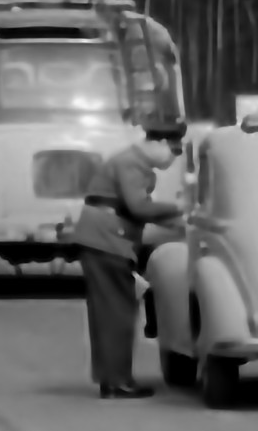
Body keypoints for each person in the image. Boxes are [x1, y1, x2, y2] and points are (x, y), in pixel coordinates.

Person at [69, 131, 185, 398]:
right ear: (156, 143)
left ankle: (111, 379)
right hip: (107, 239)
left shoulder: (131, 162)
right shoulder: (131, 163)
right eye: (173, 150)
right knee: (116, 312)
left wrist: (178, 223)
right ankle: (117, 381)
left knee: (109, 312)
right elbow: (138, 207)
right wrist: (179, 209)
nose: (173, 158)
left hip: (105, 237)